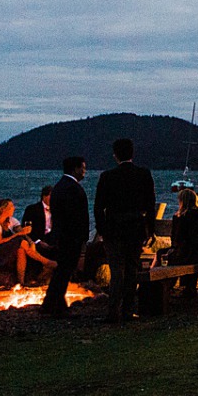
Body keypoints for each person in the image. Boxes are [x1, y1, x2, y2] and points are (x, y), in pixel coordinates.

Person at [94, 137, 156, 324]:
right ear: (132, 154)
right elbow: (150, 205)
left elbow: (98, 207)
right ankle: (128, 310)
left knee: (117, 271)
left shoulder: (107, 177)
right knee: (131, 270)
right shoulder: (144, 174)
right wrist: (150, 230)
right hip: (135, 229)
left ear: (115, 155)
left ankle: (114, 311)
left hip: (114, 229)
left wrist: (102, 229)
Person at [41, 157, 91, 317]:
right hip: (71, 238)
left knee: (61, 271)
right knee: (64, 271)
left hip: (61, 236)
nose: (84, 171)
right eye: (83, 168)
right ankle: (55, 307)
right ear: (75, 169)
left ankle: (52, 304)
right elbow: (76, 216)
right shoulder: (73, 189)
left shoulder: (59, 187)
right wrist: (82, 237)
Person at [0, 198, 54, 287]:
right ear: (4, 209)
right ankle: (47, 263)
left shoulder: (9, 221)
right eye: (11, 206)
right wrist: (19, 234)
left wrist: (30, 242)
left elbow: (19, 231)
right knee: (19, 241)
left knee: (21, 248)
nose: (14, 208)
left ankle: (21, 282)